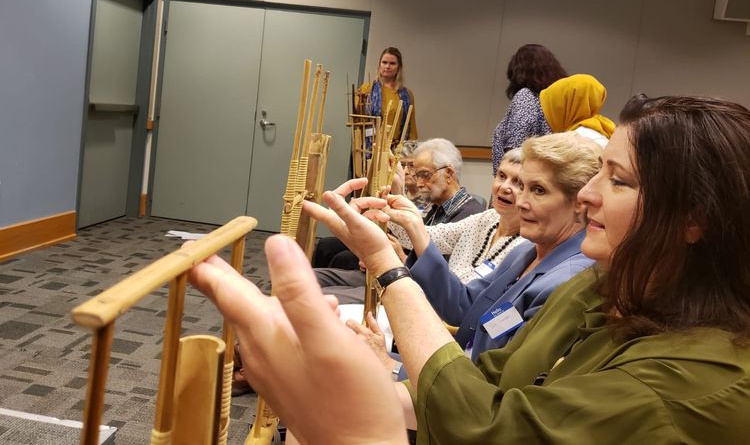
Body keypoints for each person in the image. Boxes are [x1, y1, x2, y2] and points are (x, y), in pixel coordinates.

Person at [188, 95, 750, 443]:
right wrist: (380, 375)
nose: (590, 198)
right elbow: (486, 377)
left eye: (618, 181)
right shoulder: (599, 286)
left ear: (692, 220)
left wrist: (354, 418)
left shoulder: (688, 386)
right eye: (596, 174)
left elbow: (487, 419)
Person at [350, 133, 599, 381]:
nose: (521, 201)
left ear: (580, 202)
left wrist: (393, 366)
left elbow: (493, 383)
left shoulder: (567, 281)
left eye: (538, 190)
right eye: (522, 186)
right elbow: (464, 306)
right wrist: (415, 228)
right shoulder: (526, 252)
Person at [315, 138, 484, 303]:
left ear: (449, 174)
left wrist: (399, 256)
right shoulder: (436, 208)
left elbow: (442, 277)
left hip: (412, 288)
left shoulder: (471, 216)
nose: (418, 183)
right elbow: (414, 239)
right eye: (416, 175)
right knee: (314, 277)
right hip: (396, 274)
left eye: (424, 175)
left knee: (321, 295)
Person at [388, 147, 526, 284]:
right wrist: (393, 195)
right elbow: (422, 235)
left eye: (517, 182)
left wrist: (401, 257)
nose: (504, 187)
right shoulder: (485, 218)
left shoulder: (528, 246)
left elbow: (442, 280)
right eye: (501, 176)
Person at [491, 43, 567, 173]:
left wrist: (506, 180)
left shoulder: (526, 96)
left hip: (515, 182)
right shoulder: (555, 101)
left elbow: (515, 148)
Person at [356, 46, 418, 147]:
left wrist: (411, 151)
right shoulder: (367, 89)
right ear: (379, 65)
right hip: (369, 148)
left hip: (395, 150)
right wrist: (361, 101)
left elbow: (411, 128)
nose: (387, 66)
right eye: (384, 62)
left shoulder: (407, 95)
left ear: (399, 67)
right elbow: (357, 120)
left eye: (392, 63)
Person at [540, 73, 615, 146]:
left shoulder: (578, 140)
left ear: (571, 106)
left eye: (557, 106)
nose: (550, 115)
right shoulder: (601, 129)